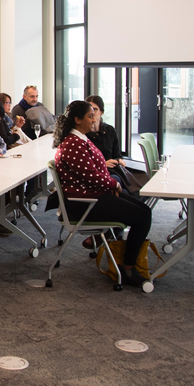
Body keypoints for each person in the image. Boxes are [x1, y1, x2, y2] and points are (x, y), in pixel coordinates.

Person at [52, 100, 152, 287]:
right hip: (85, 202)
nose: (94, 119)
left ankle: (127, 262)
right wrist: (114, 183)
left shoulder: (80, 138)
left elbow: (95, 174)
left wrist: (111, 184)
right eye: (90, 116)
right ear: (77, 119)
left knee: (145, 211)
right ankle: (128, 268)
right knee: (142, 217)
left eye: (94, 115)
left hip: (94, 195)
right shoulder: (73, 144)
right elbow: (91, 176)